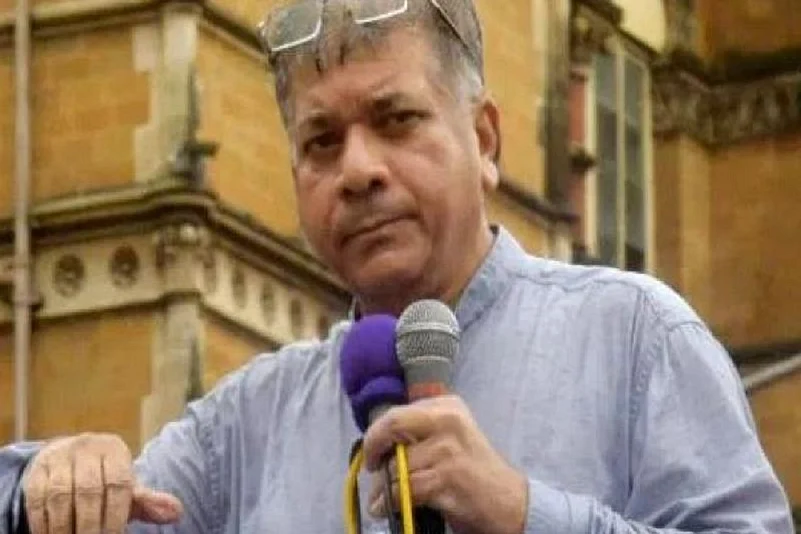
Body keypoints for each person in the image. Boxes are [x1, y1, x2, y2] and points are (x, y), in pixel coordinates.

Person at [1, 0, 794, 532]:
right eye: (321, 142)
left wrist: (525, 514)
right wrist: (45, 485)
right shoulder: (244, 430)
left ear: (483, 139)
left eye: (396, 119)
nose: (358, 170)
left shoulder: (634, 338)